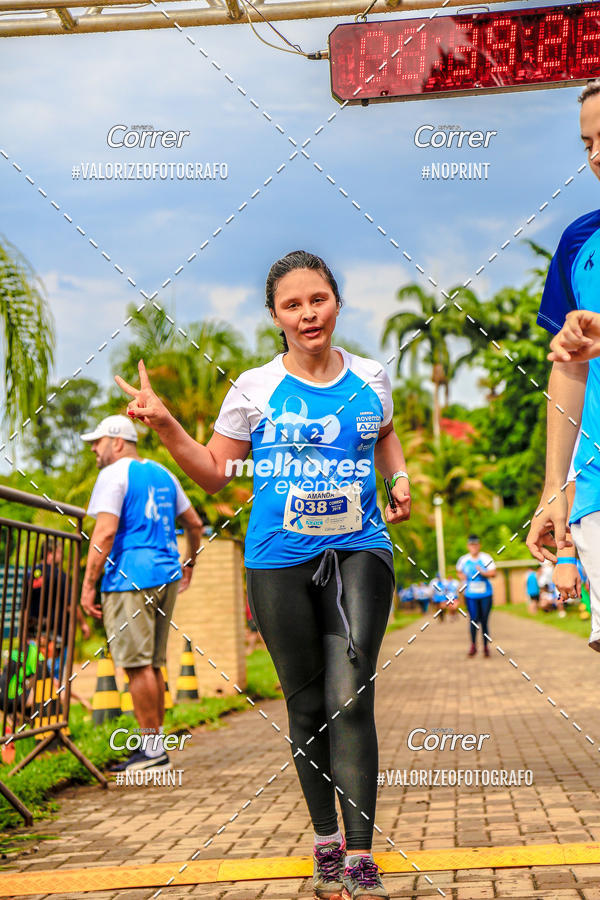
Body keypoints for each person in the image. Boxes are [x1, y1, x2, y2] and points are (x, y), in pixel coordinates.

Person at [115, 250, 411, 900]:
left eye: (318, 299)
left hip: (361, 547)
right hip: (278, 559)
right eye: (293, 305)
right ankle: (326, 843)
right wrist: (165, 425)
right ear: (275, 316)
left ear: (336, 301)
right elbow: (217, 471)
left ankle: (362, 860)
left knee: (350, 695)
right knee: (306, 708)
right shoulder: (253, 387)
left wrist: (398, 477)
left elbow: (384, 435)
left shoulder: (370, 375)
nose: (309, 313)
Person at [80, 414, 203, 773]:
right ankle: (155, 747)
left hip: (128, 577)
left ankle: (151, 752)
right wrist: (189, 563)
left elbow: (103, 534)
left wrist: (87, 585)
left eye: (98, 441)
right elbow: (193, 524)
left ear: (118, 442)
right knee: (153, 664)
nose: (93, 448)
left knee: (136, 666)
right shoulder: (163, 474)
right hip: (165, 574)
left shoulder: (113, 475)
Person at [526, 79, 600, 652]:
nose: (595, 156)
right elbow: (567, 369)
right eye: (586, 144)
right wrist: (555, 488)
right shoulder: (578, 241)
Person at [28, 537, 91, 680]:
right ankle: (54, 702)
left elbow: (25, 607)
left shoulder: (30, 574)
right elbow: (71, 605)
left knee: (36, 674)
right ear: (50, 553)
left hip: (34, 635)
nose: (61, 556)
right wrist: (83, 624)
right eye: (59, 552)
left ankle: (38, 701)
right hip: (55, 634)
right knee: (53, 676)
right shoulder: (59, 575)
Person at [456, 534, 496, 657]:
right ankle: (473, 645)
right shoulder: (464, 559)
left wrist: (483, 572)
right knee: (473, 620)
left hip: (485, 595)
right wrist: (463, 578)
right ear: (468, 546)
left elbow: (493, 573)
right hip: (471, 595)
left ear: (479, 545)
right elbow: (459, 572)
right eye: (471, 545)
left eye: (476, 544)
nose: (474, 547)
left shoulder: (485, 558)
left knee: (484, 621)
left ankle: (485, 647)